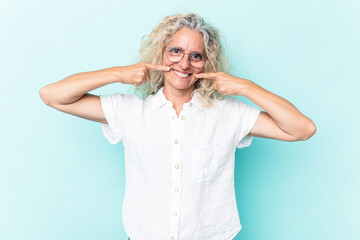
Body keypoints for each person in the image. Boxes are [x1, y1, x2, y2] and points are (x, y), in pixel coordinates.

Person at [39, 13, 316, 240]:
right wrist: (119, 74)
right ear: (161, 53)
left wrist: (245, 87)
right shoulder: (129, 110)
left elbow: (302, 129)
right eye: (175, 51)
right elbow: (52, 95)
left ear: (206, 62)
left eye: (196, 56)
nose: (184, 63)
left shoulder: (228, 114)